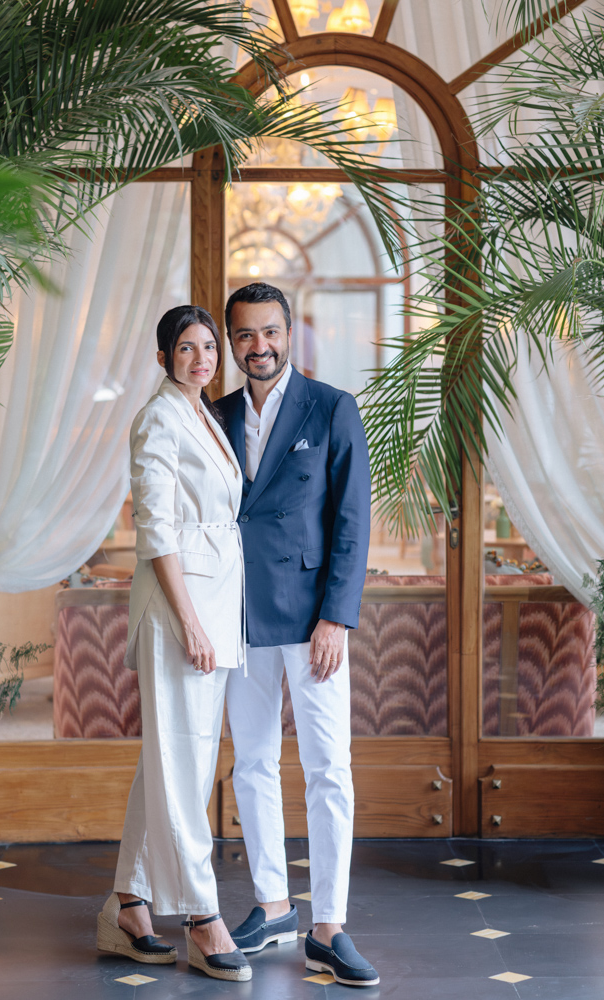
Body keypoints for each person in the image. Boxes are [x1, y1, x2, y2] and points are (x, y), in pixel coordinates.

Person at [217, 282, 380, 987]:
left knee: (327, 768)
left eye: (270, 332)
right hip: (239, 616)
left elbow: (352, 520)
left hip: (312, 617)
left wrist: (336, 617)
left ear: (290, 334)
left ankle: (329, 926)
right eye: (245, 334)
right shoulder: (216, 413)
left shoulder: (331, 406)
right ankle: (273, 903)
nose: (259, 346)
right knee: (251, 763)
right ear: (232, 341)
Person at [97, 305, 251, 983]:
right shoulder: (158, 418)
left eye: (208, 347)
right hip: (179, 607)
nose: (200, 358)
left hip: (213, 603)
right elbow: (156, 528)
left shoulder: (202, 414)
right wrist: (189, 621)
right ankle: (199, 915)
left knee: (171, 758)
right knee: (184, 764)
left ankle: (128, 905)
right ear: (162, 358)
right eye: (185, 348)